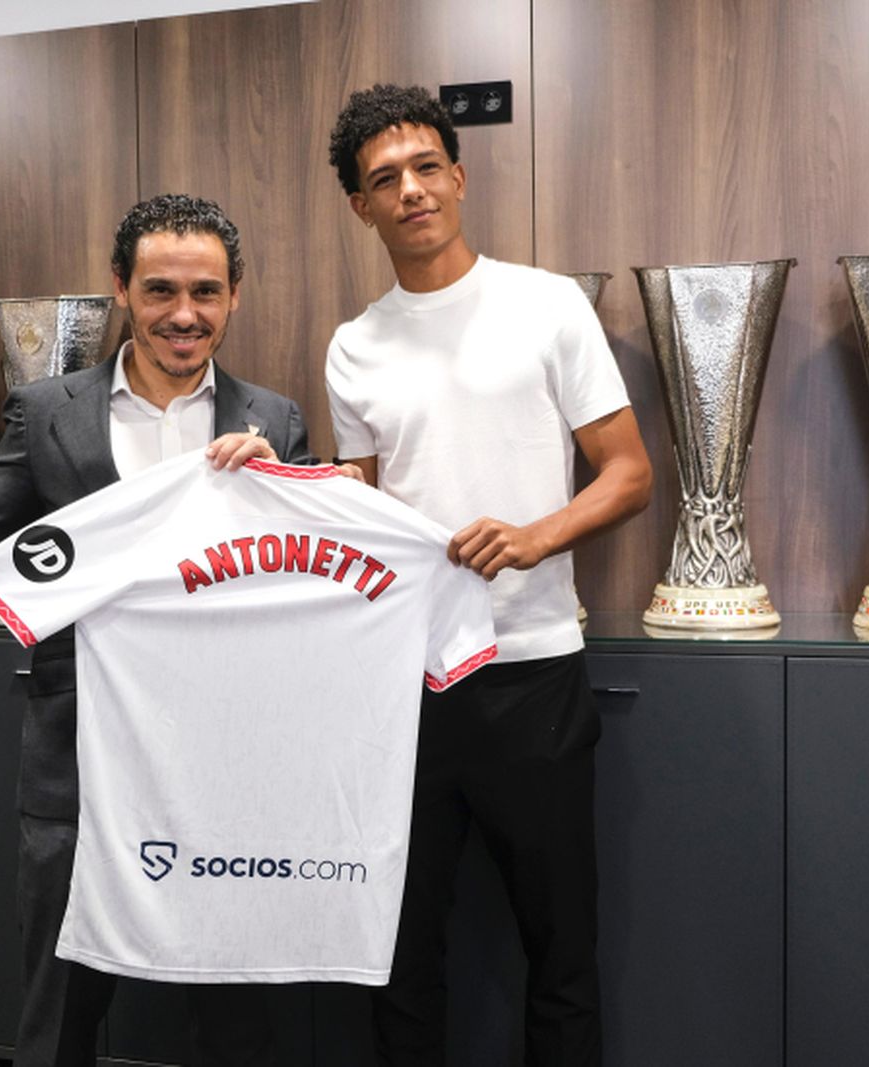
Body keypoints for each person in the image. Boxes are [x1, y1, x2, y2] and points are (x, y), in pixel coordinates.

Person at [0, 193, 313, 1067]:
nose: (184, 314)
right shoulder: (49, 408)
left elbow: (310, 576)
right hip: (78, 752)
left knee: (237, 1011)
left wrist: (295, 486)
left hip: (228, 763)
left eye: (206, 291)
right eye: (160, 289)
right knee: (60, 1007)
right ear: (121, 288)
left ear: (236, 294)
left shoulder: (272, 421)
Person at [324, 84, 653, 1066]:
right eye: (385, 179)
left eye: (427, 168)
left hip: (531, 672)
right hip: (406, 688)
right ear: (361, 207)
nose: (411, 189)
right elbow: (357, 518)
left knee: (561, 947)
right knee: (400, 949)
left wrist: (534, 535)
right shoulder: (353, 346)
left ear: (459, 178)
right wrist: (269, 481)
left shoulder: (547, 304)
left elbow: (629, 473)